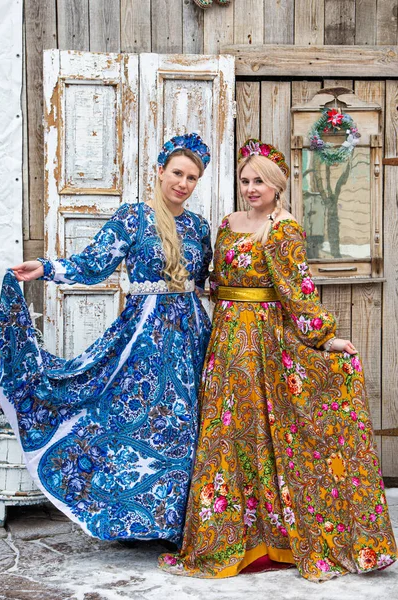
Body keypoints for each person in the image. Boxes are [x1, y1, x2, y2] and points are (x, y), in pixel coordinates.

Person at [158, 139, 397, 581]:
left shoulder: (283, 229)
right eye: (246, 181)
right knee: (225, 435)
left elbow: (297, 292)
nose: (252, 188)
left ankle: (277, 539)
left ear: (277, 186)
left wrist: (325, 340)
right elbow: (213, 280)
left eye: (260, 182)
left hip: (262, 341)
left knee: (256, 433)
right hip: (225, 341)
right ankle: (232, 540)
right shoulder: (227, 224)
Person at [0, 133, 213, 544]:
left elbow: (204, 281)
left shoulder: (199, 227)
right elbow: (93, 264)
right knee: (137, 421)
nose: (183, 183)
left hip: (190, 336)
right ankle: (138, 518)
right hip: (144, 337)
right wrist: (45, 268)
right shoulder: (133, 218)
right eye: (177, 173)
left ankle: (177, 523)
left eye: (192, 178)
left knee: (187, 424)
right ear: (160, 171)